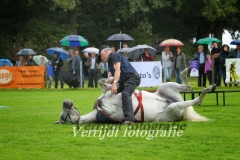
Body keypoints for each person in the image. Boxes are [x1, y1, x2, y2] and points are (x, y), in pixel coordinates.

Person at [99, 45, 141, 124]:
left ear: (106, 51)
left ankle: (129, 120)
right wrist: (106, 85)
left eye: (101, 55)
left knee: (125, 93)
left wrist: (114, 84)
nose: (101, 58)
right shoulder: (110, 62)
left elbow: (118, 70)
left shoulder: (114, 55)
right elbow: (110, 77)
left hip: (132, 78)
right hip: (124, 81)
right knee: (112, 93)